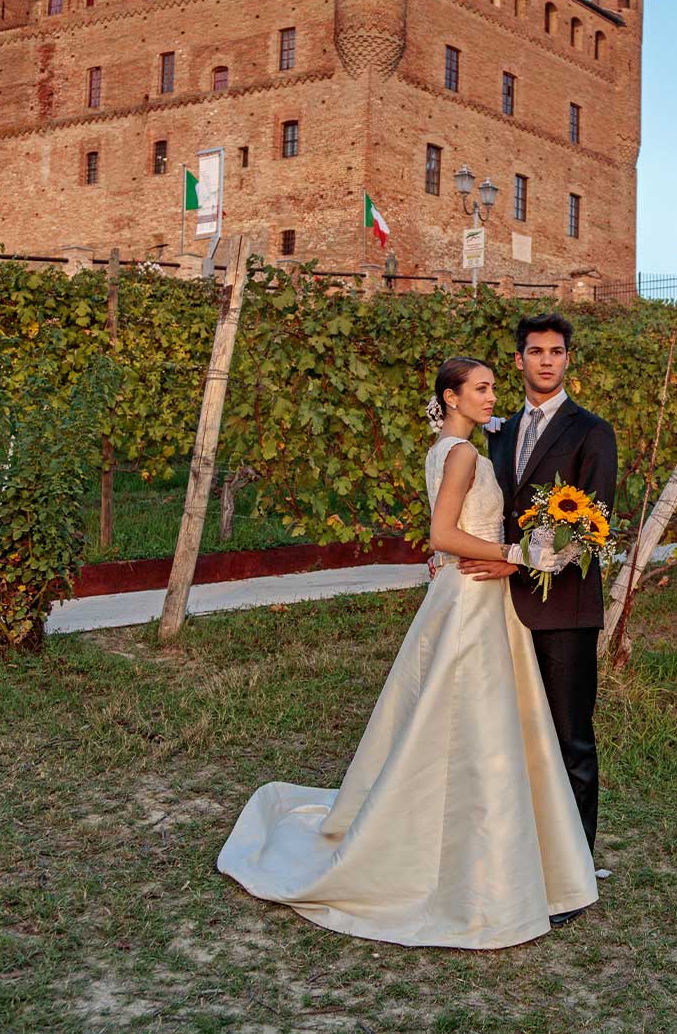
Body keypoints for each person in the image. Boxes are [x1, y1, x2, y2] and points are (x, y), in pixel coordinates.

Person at [216, 357, 598, 948]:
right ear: (450, 396)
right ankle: (480, 861)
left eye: (494, 387)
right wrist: (522, 554)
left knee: (463, 723)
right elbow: (443, 535)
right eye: (481, 389)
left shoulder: (444, 448)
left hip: (467, 590)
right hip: (473, 598)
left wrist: (509, 552)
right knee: (477, 725)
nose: (492, 397)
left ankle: (473, 838)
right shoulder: (464, 454)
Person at [460, 313, 617, 925]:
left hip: (566, 608)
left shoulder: (592, 432)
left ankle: (573, 871)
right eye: (535, 351)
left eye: (556, 351)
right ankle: (519, 855)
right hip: (498, 605)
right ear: (519, 360)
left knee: (570, 737)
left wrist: (518, 564)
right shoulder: (499, 433)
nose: (546, 361)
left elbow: (592, 527)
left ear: (568, 360)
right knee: (513, 736)